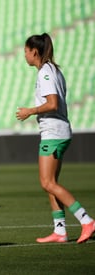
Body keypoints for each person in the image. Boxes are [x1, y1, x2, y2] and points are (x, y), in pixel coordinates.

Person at [16, 33, 95, 243]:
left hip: (53, 133)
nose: (24, 54)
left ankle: (87, 220)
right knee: (52, 182)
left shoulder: (45, 73)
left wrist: (30, 111)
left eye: (26, 50)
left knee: (47, 182)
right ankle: (60, 231)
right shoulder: (53, 71)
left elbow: (53, 103)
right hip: (57, 131)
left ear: (35, 51)